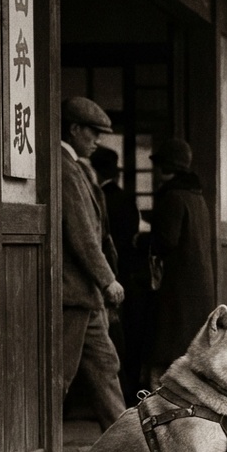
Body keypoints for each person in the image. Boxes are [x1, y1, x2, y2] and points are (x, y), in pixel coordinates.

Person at [58, 97, 127, 433]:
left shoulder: (77, 168)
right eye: (93, 132)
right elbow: (83, 236)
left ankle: (128, 445)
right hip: (73, 294)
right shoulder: (64, 168)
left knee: (105, 366)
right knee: (60, 377)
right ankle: (43, 449)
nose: (97, 139)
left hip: (85, 296)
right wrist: (108, 280)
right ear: (73, 129)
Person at [146, 138, 214, 387]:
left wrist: (144, 238)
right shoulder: (197, 197)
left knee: (167, 348)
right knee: (190, 347)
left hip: (177, 286)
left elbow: (166, 240)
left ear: (165, 167)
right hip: (198, 287)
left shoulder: (172, 197)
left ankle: (164, 397)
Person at [89, 146, 143, 403]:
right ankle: (126, 394)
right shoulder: (124, 198)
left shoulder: (99, 196)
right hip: (124, 275)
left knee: (110, 341)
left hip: (106, 277)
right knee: (122, 339)